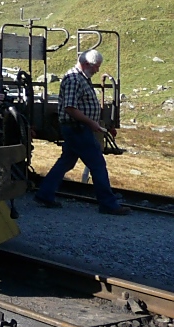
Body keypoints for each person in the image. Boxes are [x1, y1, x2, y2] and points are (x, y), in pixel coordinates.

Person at [34, 50, 128, 215]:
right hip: (77, 128)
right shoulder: (73, 79)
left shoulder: (81, 78)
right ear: (86, 64)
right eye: (96, 67)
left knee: (66, 162)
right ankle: (108, 204)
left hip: (77, 128)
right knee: (97, 164)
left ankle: (44, 194)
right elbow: (70, 108)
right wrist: (91, 122)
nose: (97, 71)